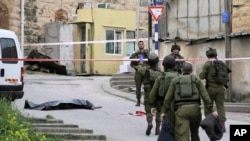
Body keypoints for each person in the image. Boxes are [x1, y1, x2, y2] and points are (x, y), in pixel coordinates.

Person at [160, 62, 217, 141]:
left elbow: (167, 98)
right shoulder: (197, 80)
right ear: (192, 70)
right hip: (195, 110)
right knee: (195, 133)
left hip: (181, 111)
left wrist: (163, 111)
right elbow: (205, 96)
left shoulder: (175, 81)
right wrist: (212, 110)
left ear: (181, 70)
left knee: (183, 135)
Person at [199, 47, 231, 132]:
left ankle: (210, 125)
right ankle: (222, 126)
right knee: (220, 107)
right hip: (221, 88)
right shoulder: (221, 63)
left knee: (208, 106)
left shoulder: (207, 64)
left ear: (208, 55)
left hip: (210, 88)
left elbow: (201, 77)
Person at [149, 55, 178, 135]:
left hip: (164, 106)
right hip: (177, 106)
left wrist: (152, 105)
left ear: (164, 65)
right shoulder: (179, 77)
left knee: (166, 129)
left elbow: (153, 94)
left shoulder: (161, 77)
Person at [143, 53, 162, 136]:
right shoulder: (160, 73)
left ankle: (150, 123)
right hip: (158, 94)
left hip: (149, 93)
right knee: (159, 111)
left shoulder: (146, 71)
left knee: (149, 110)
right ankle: (157, 129)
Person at [130, 40, 150, 106]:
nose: (141, 45)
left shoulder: (147, 52)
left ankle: (146, 101)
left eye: (142, 44)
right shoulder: (135, 53)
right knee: (138, 87)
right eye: (140, 44)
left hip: (145, 71)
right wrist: (136, 67)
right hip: (138, 72)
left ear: (144, 45)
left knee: (146, 87)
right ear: (138, 45)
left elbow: (151, 60)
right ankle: (138, 100)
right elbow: (131, 62)